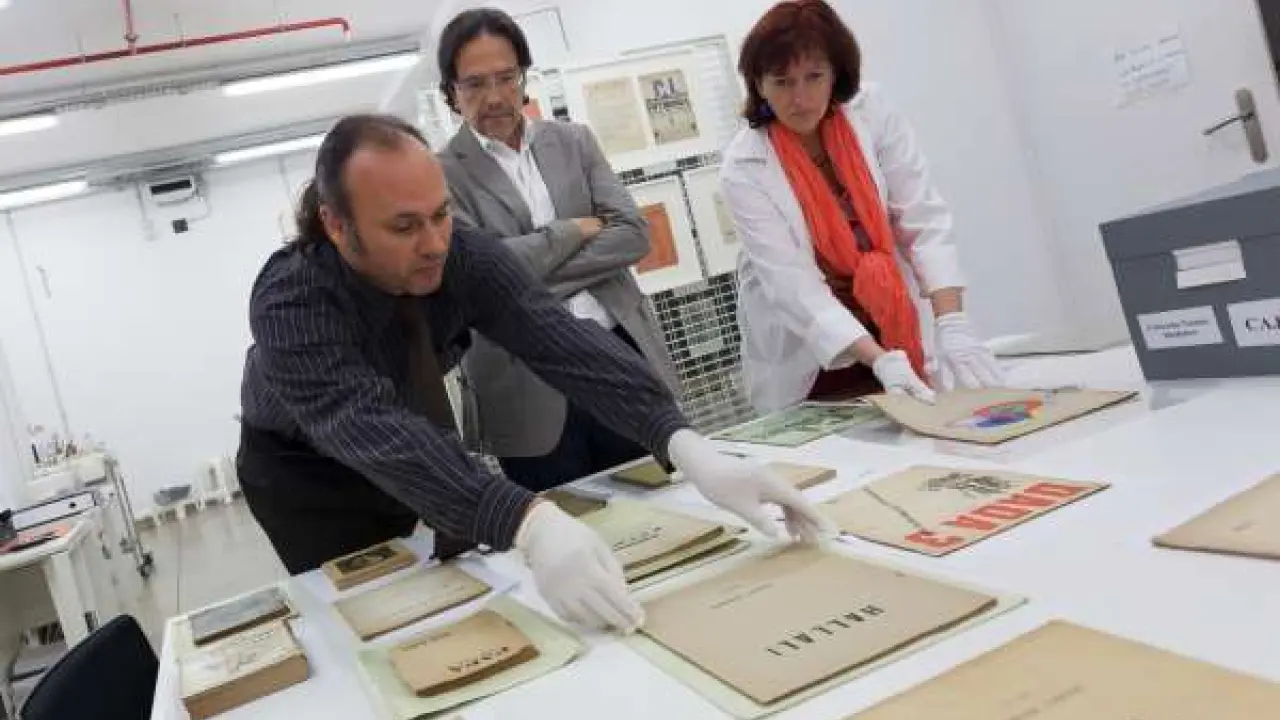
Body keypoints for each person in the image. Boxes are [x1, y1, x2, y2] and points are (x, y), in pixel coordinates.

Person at [236, 114, 830, 632]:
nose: (434, 243)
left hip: (405, 430)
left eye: (441, 214)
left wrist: (682, 441)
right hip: (307, 474)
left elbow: (561, 341)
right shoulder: (291, 300)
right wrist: (527, 521)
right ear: (337, 225)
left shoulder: (461, 255)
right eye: (404, 226)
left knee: (451, 586)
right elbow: (367, 425)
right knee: (372, 613)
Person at [721, 0, 1006, 413]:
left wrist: (952, 322)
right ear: (759, 85)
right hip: (816, 352)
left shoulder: (872, 112)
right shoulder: (744, 166)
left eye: (814, 77)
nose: (800, 98)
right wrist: (881, 361)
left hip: (893, 320)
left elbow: (921, 217)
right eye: (782, 82)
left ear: (836, 72)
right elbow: (794, 286)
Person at [435, 9, 678, 492]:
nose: (494, 96)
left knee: (663, 505)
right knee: (569, 521)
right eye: (475, 84)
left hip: (616, 353)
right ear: (451, 92)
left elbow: (632, 234)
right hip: (524, 383)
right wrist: (571, 232)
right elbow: (478, 276)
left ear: (524, 76)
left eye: (506, 77)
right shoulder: (439, 174)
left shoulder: (574, 141)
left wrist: (521, 278)